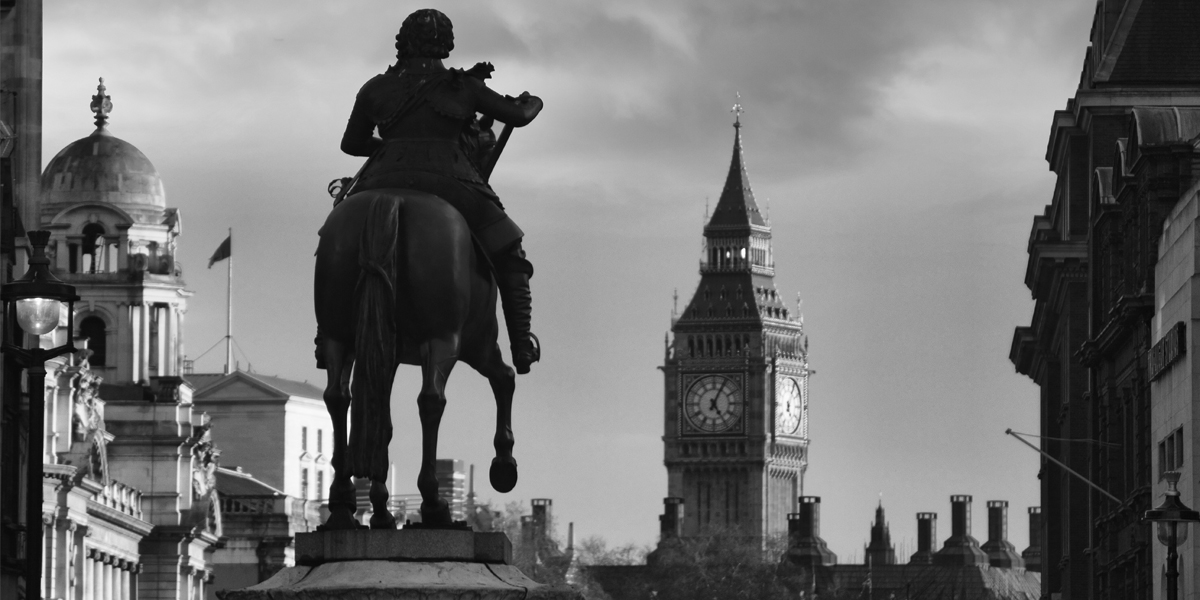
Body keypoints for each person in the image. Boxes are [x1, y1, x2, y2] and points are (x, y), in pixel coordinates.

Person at [340, 9, 544, 374]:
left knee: (339, 239)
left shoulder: (375, 87)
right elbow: (518, 116)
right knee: (509, 250)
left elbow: (351, 144)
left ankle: (328, 334)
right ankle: (521, 344)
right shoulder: (464, 86)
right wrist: (534, 101)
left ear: (403, 41)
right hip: (451, 182)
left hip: (381, 178)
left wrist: (390, 148)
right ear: (446, 43)